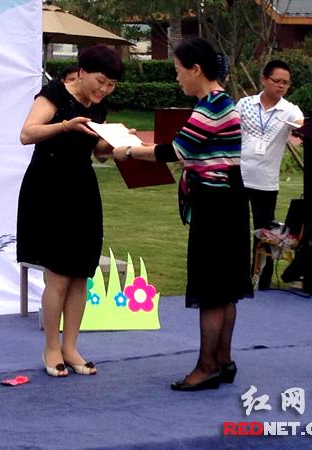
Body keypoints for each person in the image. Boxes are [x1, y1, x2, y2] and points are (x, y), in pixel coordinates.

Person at [114, 38, 252, 391]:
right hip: (229, 199)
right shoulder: (222, 102)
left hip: (215, 204)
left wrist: (128, 151)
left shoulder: (211, 107)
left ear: (196, 70)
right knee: (226, 288)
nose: (177, 78)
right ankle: (223, 360)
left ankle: (206, 367)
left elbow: (175, 151)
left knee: (211, 287)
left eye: (178, 71)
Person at [17, 45, 123, 377]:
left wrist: (117, 143)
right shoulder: (54, 94)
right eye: (100, 81)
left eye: (110, 85)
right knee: (60, 274)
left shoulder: (99, 106)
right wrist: (65, 125)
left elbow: (96, 150)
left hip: (82, 188)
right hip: (49, 187)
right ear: (81, 72)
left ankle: (71, 347)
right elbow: (27, 133)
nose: (103, 90)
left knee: (81, 273)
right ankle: (51, 347)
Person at [237, 60, 304, 290]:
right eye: (277, 81)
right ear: (264, 80)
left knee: (264, 232)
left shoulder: (290, 109)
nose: (281, 86)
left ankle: (261, 279)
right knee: (237, 229)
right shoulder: (245, 104)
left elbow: (301, 126)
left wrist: (300, 128)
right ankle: (237, 277)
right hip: (240, 174)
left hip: (266, 181)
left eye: (286, 83)